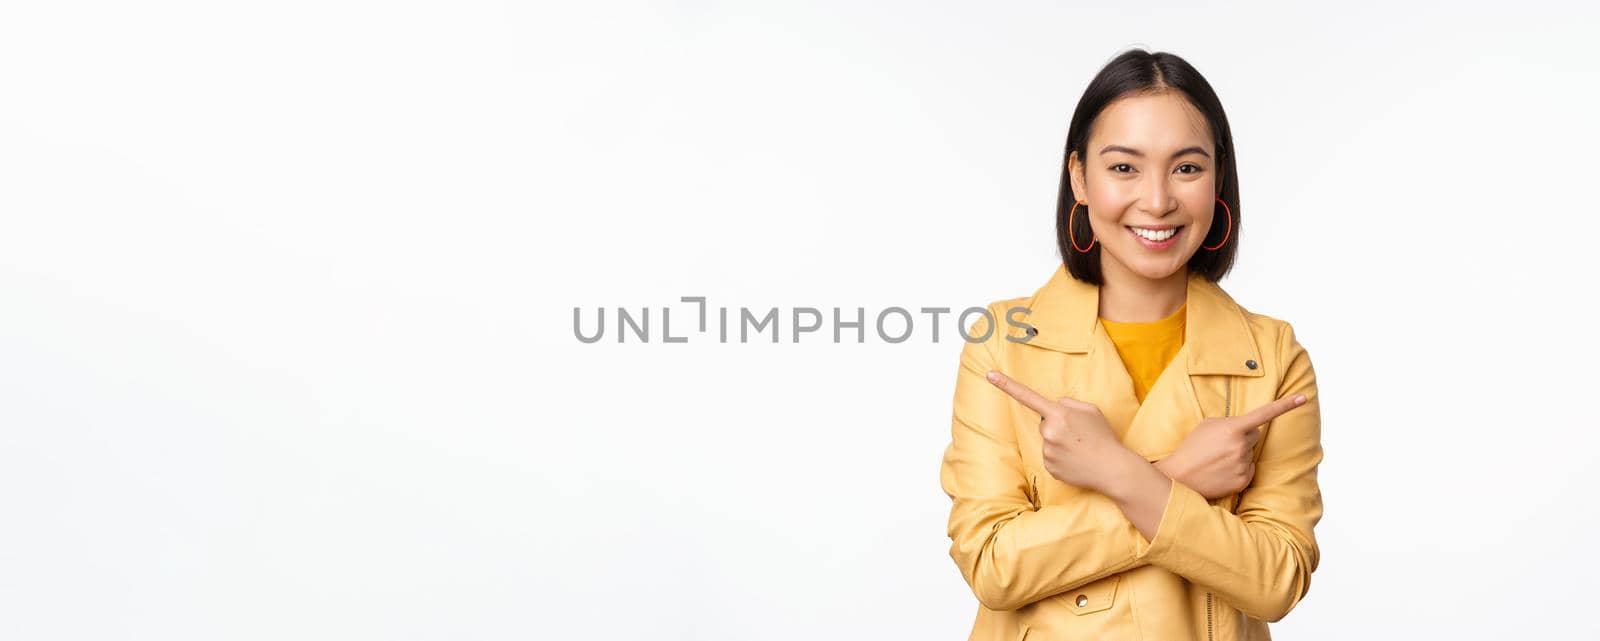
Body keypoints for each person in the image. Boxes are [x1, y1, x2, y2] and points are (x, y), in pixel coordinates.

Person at [938, 49, 1323, 641]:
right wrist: (1177, 476)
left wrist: (1123, 476)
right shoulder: (1002, 345)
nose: (1158, 200)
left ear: (1218, 178)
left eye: (1187, 168)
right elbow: (993, 568)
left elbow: (1277, 581)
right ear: (1079, 178)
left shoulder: (1272, 357)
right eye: (1124, 168)